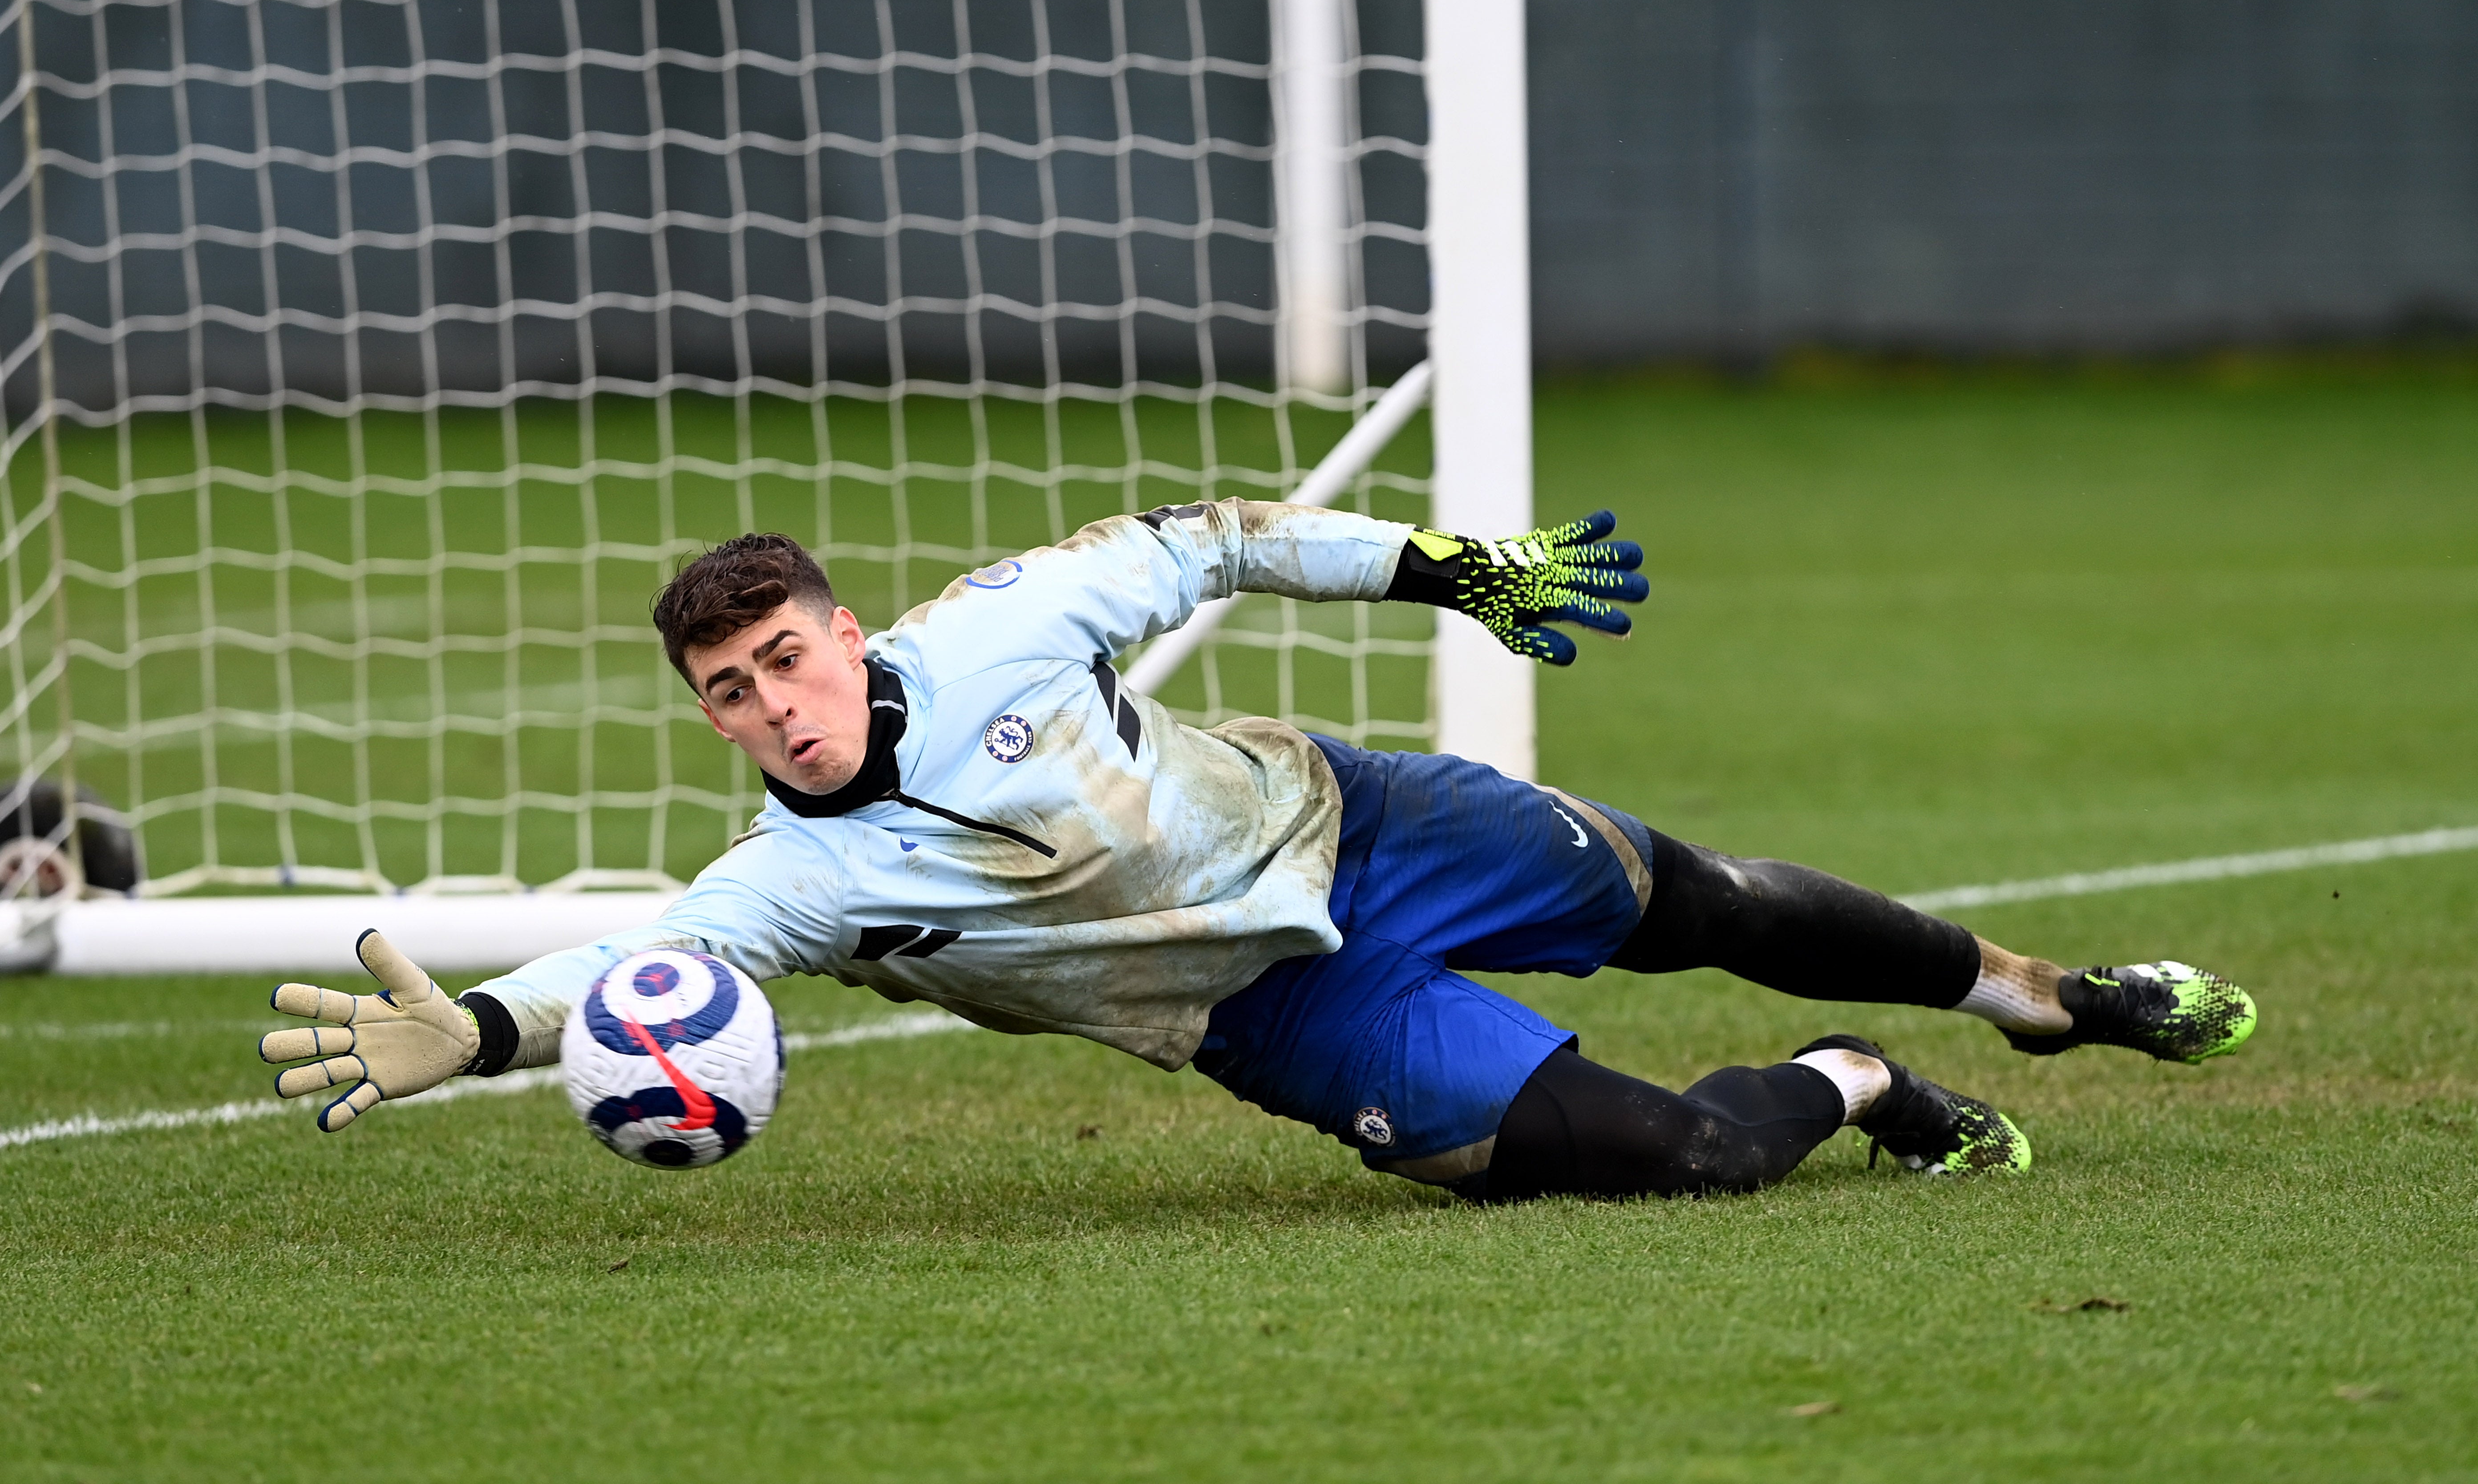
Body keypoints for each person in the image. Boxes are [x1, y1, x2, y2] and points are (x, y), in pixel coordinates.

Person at [258, 502, 2256, 1198]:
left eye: (787, 657)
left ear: (849, 633)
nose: (772, 707)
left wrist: (1451, 572)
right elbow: (650, 984)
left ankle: (2054, 1000)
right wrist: (492, 1042)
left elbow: (1218, 539)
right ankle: (1866, 1085)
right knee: (1679, 1159)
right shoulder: (790, 886)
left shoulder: (1004, 624)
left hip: (1354, 820)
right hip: (1271, 1018)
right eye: (730, 691)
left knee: (1699, 902)